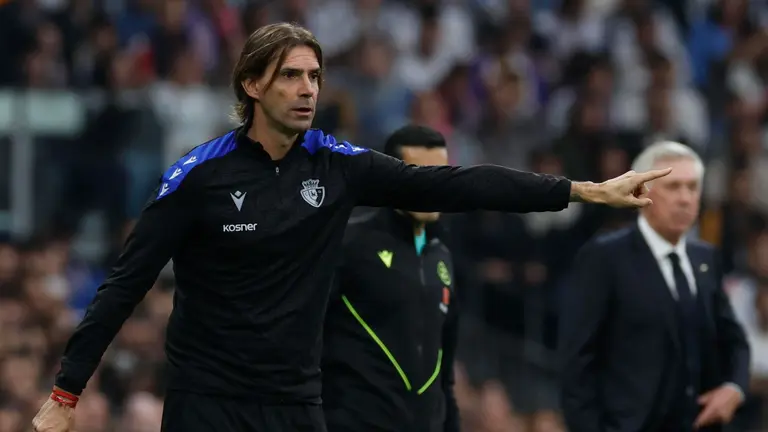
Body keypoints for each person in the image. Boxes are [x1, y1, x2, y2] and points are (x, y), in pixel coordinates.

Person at [32, 22, 670, 432]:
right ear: (252, 84)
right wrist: (66, 394)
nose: (307, 88)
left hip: (296, 405)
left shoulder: (339, 166)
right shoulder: (199, 177)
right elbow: (125, 285)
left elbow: (454, 185)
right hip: (208, 405)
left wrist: (580, 190)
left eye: (314, 75)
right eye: (290, 75)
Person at [559, 141, 750, 432]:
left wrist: (735, 387)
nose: (685, 199)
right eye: (674, 187)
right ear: (640, 190)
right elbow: (576, 363)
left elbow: (733, 339)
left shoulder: (706, 258)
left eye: (692, 187)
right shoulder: (605, 257)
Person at [322, 125, 462, 432]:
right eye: (423, 175)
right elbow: (302, 337)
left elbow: (445, 371)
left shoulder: (442, 258)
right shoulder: (350, 243)